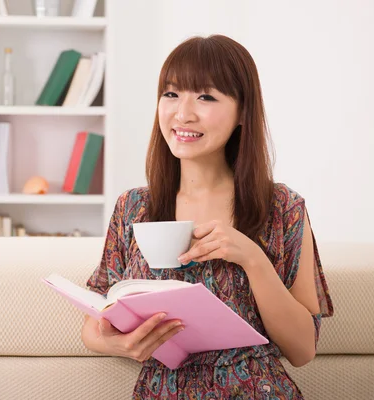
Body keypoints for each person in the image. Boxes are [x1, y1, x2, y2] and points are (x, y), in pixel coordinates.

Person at [80, 34, 334, 399]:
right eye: (171, 94)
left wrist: (251, 258)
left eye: (206, 97)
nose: (183, 113)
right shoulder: (133, 207)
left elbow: (302, 350)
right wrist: (118, 345)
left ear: (243, 112)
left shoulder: (282, 207)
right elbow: (94, 321)